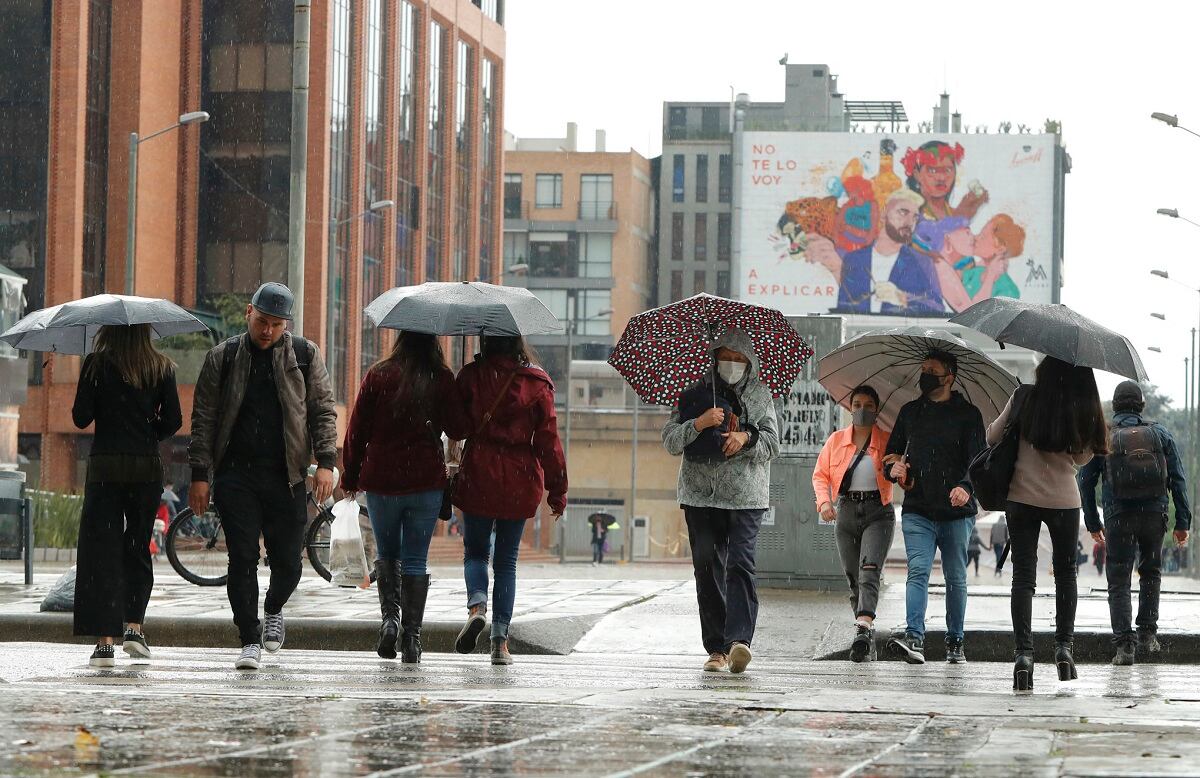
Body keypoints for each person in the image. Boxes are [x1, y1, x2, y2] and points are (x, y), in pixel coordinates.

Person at [188, 282, 338, 671]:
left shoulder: (305, 355)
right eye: (262, 321)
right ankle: (248, 638)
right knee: (241, 558)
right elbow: (203, 418)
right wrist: (200, 474)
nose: (267, 330)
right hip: (236, 475)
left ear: (286, 325)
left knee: (288, 561)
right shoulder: (223, 357)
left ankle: (273, 608)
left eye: (276, 324)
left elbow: (322, 410)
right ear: (247, 313)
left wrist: (326, 460)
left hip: (286, 476)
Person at [341, 331, 469, 663]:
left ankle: (389, 622)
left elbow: (356, 430)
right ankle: (412, 640)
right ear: (433, 341)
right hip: (424, 482)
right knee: (415, 560)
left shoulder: (378, 374)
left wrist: (350, 475)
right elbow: (458, 429)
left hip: (382, 481)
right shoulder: (440, 378)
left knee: (387, 554)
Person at [662, 329, 780, 674]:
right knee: (706, 566)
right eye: (726, 357)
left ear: (750, 361)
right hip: (699, 495)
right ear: (714, 359)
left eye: (739, 358)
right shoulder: (693, 392)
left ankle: (739, 641)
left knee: (740, 562)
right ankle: (716, 648)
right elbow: (670, 441)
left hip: (745, 496)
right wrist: (697, 424)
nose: (732, 364)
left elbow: (773, 443)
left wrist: (745, 437)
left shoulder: (761, 395)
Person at [989, 356, 1107, 690]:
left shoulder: (1024, 396)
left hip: (1021, 497)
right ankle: (1064, 648)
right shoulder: (1082, 405)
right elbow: (1084, 458)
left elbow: (993, 438)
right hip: (1064, 501)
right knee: (1066, 574)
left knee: (1023, 577)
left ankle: (1023, 656)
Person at [451, 335, 566, 665]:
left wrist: (465, 387)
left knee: (475, 551)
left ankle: (476, 605)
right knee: (506, 562)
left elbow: (456, 426)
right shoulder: (537, 382)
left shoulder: (472, 376)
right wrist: (558, 489)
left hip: (479, 474)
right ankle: (500, 642)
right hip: (519, 477)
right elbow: (549, 441)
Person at [72, 324, 182, 667]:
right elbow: (175, 420)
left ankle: (104, 643)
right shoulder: (160, 366)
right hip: (145, 468)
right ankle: (134, 628)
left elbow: (80, 417)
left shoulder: (95, 364)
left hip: (105, 467)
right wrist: (149, 432)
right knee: (137, 546)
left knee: (100, 550)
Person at [1078, 381, 1191, 666]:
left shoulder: (1104, 436)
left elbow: (1085, 481)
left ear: (1115, 406)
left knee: (1118, 579)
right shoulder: (1160, 434)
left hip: (1118, 516)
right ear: (1141, 405)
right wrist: (1183, 522)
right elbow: (1178, 479)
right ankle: (1148, 635)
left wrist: (1092, 521)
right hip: (1155, 515)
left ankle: (1124, 647)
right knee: (1150, 572)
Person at [883, 350, 986, 665]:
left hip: (957, 513)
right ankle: (915, 637)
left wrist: (966, 488)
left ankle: (956, 642)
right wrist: (894, 470)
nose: (925, 375)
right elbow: (891, 455)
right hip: (917, 509)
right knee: (918, 571)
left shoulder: (969, 415)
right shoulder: (910, 411)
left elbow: (979, 462)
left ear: (949, 376)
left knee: (956, 576)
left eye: (933, 370)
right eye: (923, 369)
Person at [812, 384, 893, 663]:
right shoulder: (836, 441)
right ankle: (865, 633)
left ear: (877, 409)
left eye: (869, 405)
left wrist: (901, 469)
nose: (862, 410)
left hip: (878, 512)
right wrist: (824, 502)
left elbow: (900, 471)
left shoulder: (886, 439)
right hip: (845, 510)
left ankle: (863, 626)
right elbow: (820, 475)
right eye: (857, 404)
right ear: (849, 408)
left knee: (869, 570)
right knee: (853, 576)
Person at [830, 188, 945, 315]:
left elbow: (937, 308)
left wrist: (902, 298)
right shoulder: (854, 260)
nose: (909, 222)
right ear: (884, 214)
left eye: (915, 217)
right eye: (903, 212)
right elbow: (843, 308)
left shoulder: (923, 262)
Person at [901, 140, 989, 222]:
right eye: (932, 171)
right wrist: (958, 220)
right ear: (917, 175)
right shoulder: (908, 214)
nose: (941, 178)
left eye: (947, 170)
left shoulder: (953, 212)